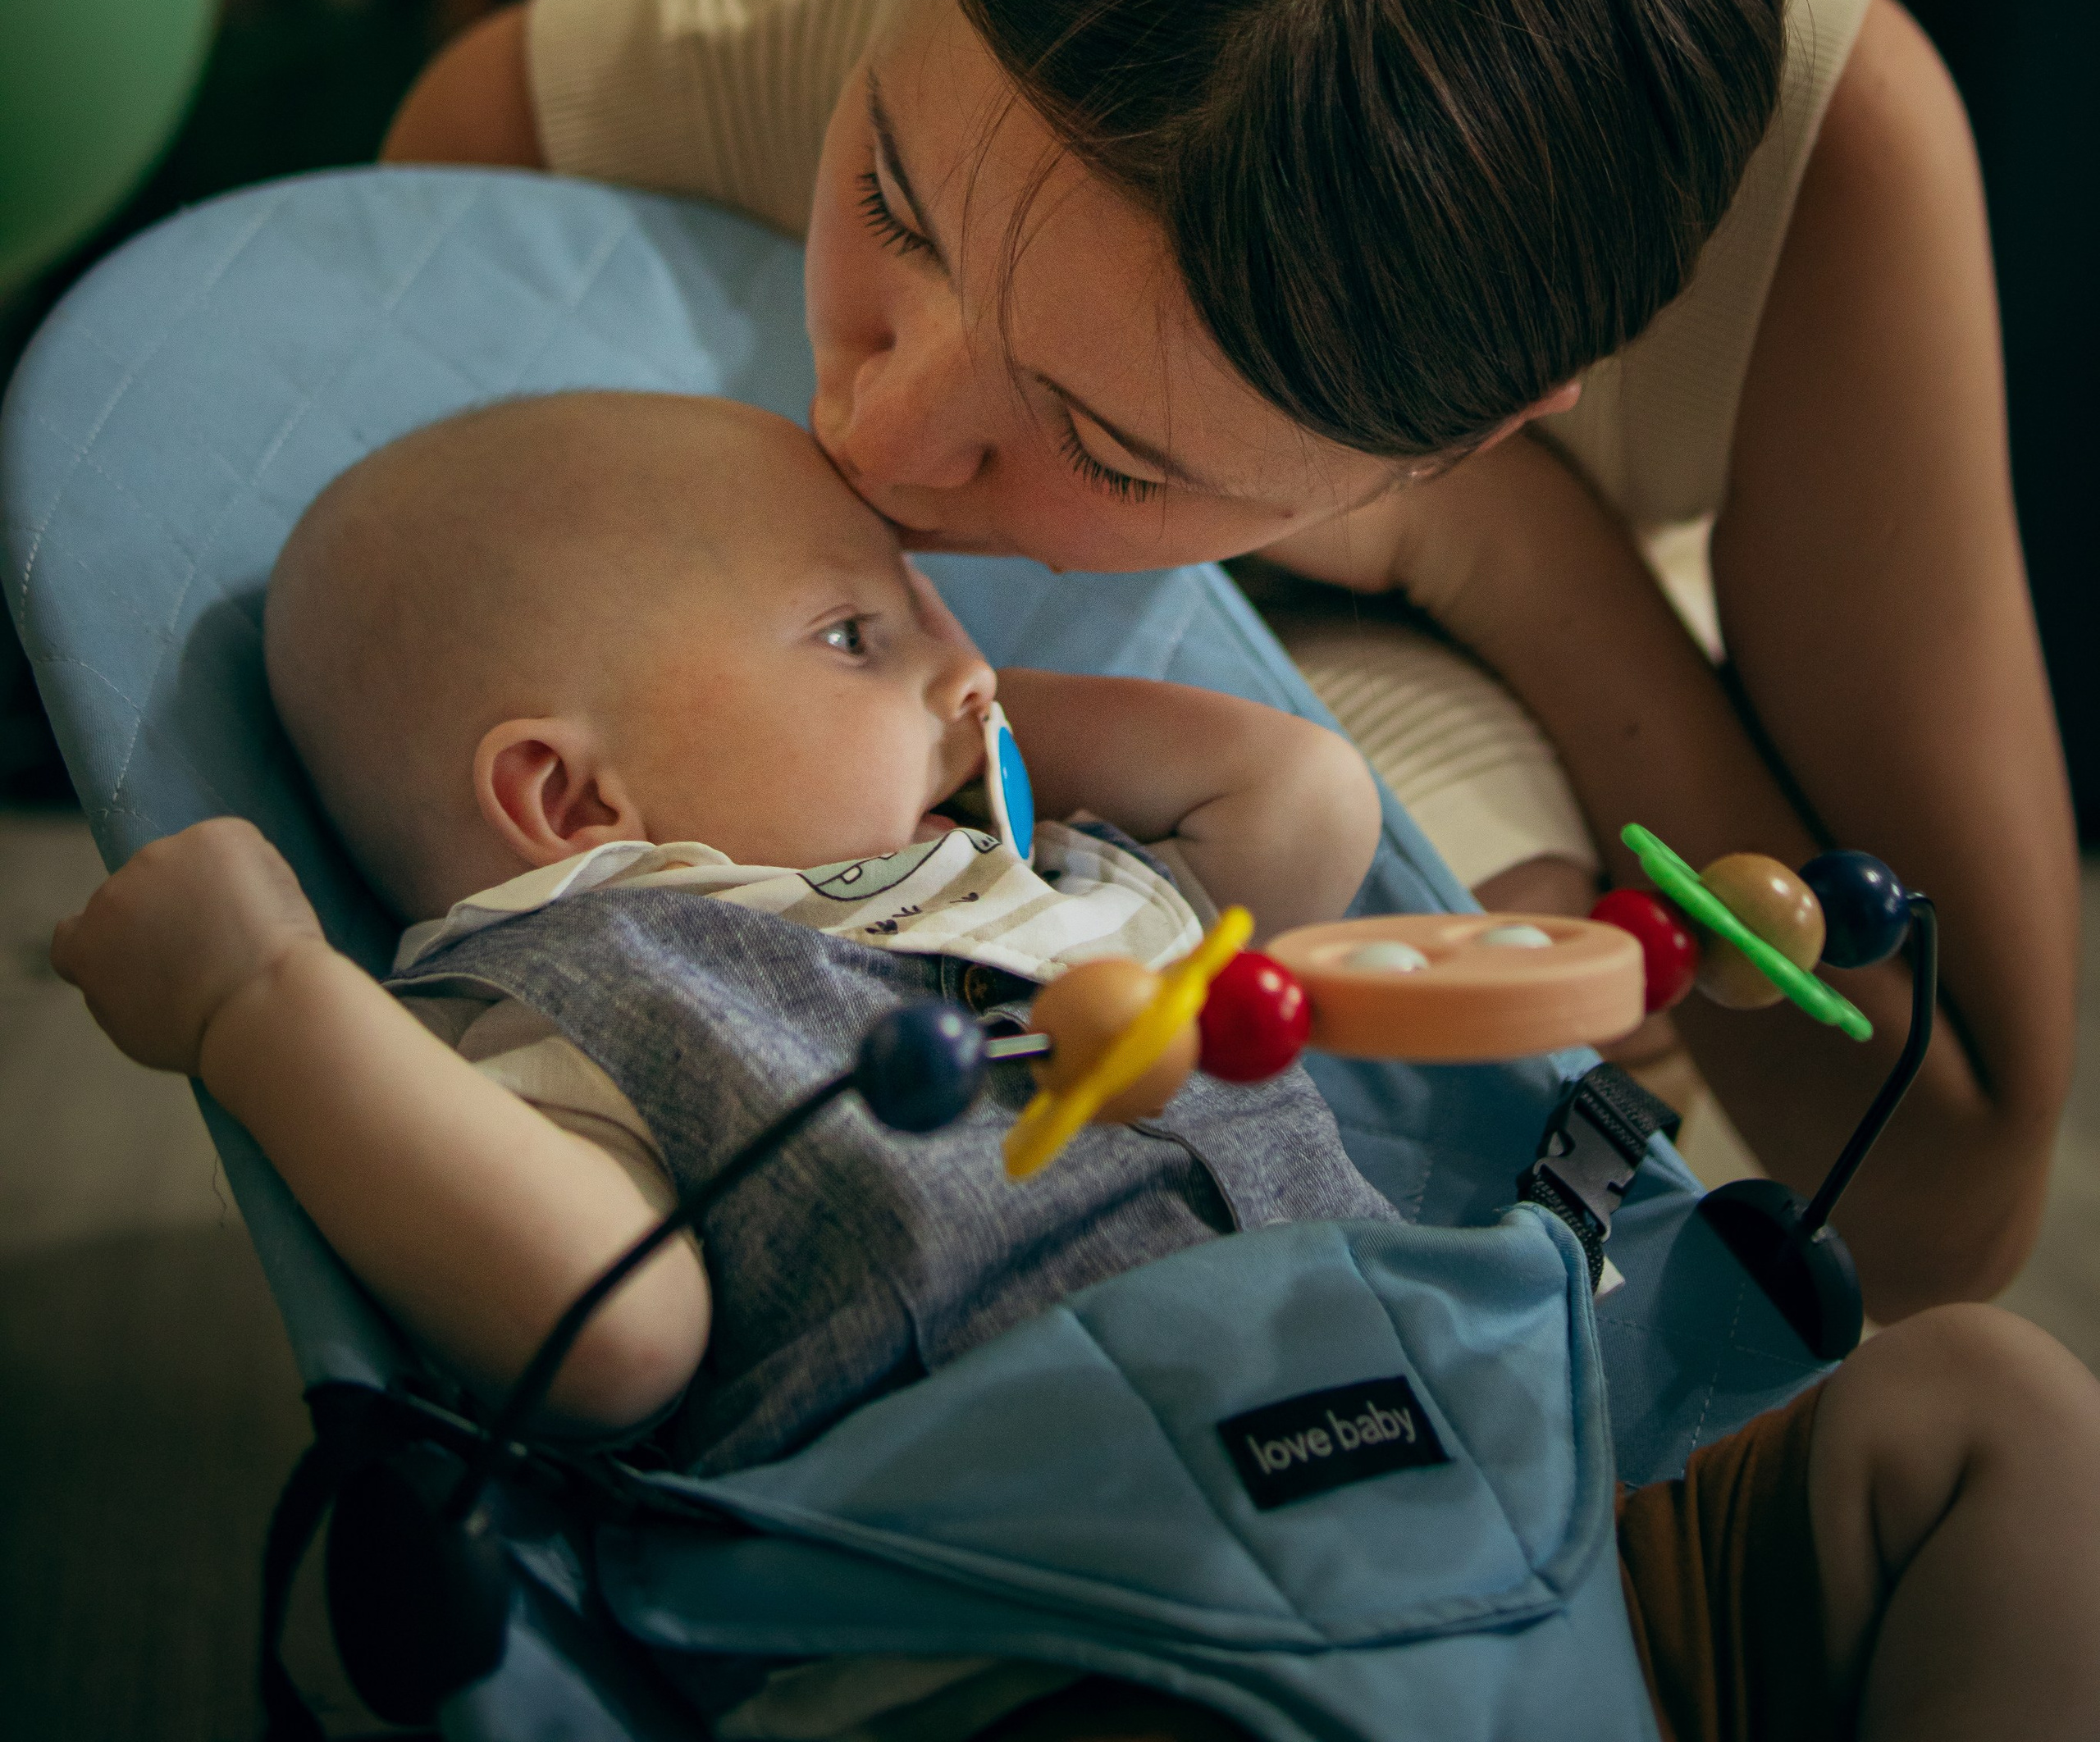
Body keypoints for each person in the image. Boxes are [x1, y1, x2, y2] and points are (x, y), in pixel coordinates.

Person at [381, 0, 2076, 1319]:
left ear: (1474, 425)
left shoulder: (1826, 196)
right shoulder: (753, 10)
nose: (872, 431)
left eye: (1110, 451)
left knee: (1469, 966)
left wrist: (1498, 552)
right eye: (891, 199)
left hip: (1456, 667)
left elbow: (1939, 1203)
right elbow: (318, 456)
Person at [51, 390, 2100, 1742]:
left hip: (1522, 1508)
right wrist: (266, 1000)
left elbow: (1293, 802)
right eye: (852, 633)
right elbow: (608, 1328)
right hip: (1079, 1635)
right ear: (562, 796)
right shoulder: (596, 987)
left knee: (1976, 1400)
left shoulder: (1052, 886)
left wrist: (959, 694)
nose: (956, 670)